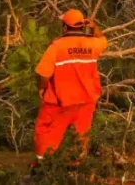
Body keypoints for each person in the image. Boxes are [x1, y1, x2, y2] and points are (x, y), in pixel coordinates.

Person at [33, 9, 107, 165]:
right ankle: (76, 169)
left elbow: (44, 74)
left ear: (65, 27)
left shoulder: (57, 47)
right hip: (86, 101)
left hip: (60, 102)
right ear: (82, 26)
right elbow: (104, 39)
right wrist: (94, 27)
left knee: (45, 132)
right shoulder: (93, 44)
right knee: (80, 137)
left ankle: (41, 169)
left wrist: (41, 89)